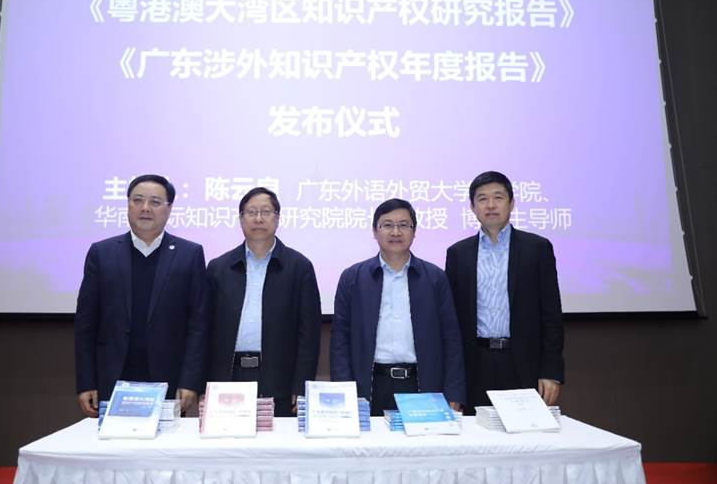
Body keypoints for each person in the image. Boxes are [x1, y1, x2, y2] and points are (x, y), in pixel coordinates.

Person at [75, 174, 208, 417]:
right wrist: (86, 382)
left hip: (168, 379)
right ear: (128, 205)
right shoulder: (101, 253)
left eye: (155, 202)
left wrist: (191, 381)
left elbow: (198, 324)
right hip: (112, 377)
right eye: (138, 200)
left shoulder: (189, 254)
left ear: (169, 209)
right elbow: (86, 324)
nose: (145, 208)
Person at [330, 198, 465, 416]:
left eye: (403, 225)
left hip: (422, 385)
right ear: (375, 231)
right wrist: (343, 391)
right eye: (387, 225)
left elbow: (451, 340)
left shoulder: (435, 278)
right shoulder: (352, 278)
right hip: (370, 386)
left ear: (414, 231)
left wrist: (454, 394)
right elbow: (340, 341)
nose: (395, 232)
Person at [445, 170, 564, 410]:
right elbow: (451, 322)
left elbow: (551, 315)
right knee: (476, 431)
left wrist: (551, 371)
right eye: (482, 199)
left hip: (524, 364)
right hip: (475, 364)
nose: (490, 205)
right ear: (472, 207)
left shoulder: (536, 248)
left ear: (512, 203)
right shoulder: (458, 254)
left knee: (527, 431)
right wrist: (453, 382)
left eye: (498, 197)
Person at [206, 187, 322, 417]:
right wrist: (204, 383)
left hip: (279, 381)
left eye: (266, 212)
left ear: (277, 218)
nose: (258, 219)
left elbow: (309, 334)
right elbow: (205, 330)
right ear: (241, 219)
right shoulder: (219, 268)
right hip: (227, 379)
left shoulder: (299, 267)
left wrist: (302, 385)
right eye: (251, 212)